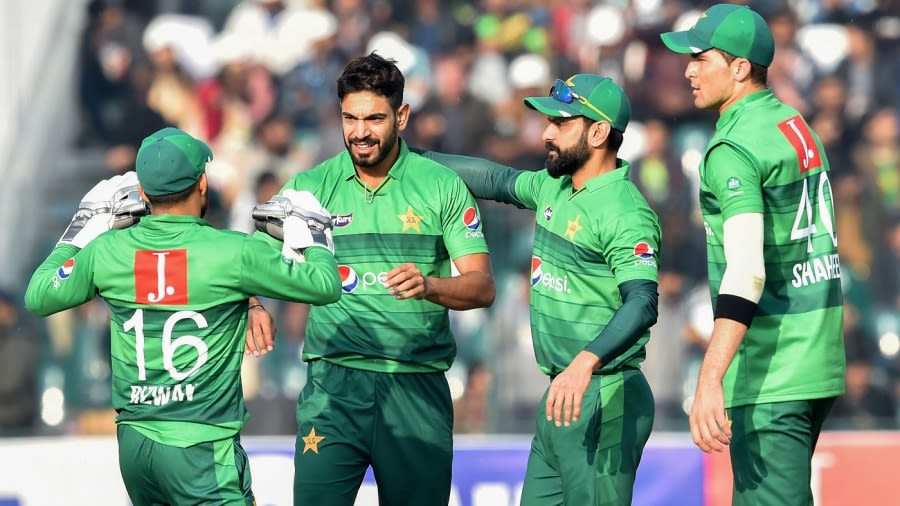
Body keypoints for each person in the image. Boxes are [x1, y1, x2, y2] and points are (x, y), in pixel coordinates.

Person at [24, 127, 341, 506]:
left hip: (136, 445)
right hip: (200, 446)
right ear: (203, 183)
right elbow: (325, 285)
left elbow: (38, 295)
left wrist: (80, 229)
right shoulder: (231, 251)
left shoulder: (107, 251)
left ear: (142, 193)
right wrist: (315, 233)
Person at [251, 52, 495, 506]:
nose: (360, 131)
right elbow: (250, 259)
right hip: (333, 387)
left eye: (375, 118)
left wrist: (431, 285)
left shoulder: (440, 185)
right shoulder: (310, 188)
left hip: (415, 389)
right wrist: (252, 304)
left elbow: (482, 286)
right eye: (350, 118)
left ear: (402, 115)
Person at [420, 74, 661, 505]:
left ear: (599, 131)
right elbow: (496, 180)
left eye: (561, 123)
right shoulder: (556, 185)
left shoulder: (626, 213)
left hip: (604, 396)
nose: (546, 133)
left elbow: (643, 301)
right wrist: (412, 158)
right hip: (561, 394)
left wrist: (584, 364)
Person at [660, 4, 846, 505]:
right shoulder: (793, 123)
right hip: (817, 359)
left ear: (740, 67)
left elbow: (746, 273)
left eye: (701, 58)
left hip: (772, 371)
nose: (689, 70)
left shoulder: (733, 148)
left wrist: (709, 378)